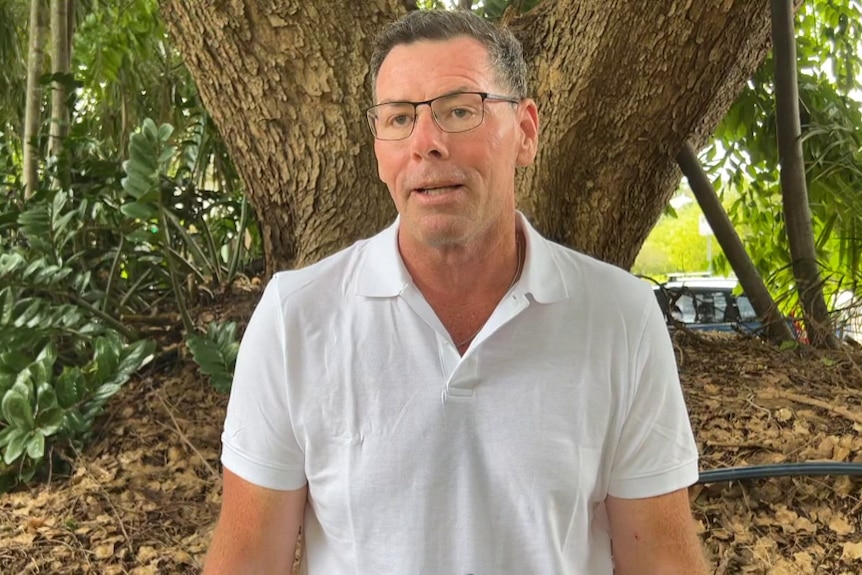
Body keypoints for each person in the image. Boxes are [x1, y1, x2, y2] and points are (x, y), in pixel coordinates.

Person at [203, 9, 708, 575]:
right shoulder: (296, 319)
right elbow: (247, 561)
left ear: (526, 132)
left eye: (459, 111)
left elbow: (662, 559)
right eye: (398, 119)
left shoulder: (620, 319)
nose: (426, 143)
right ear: (378, 150)